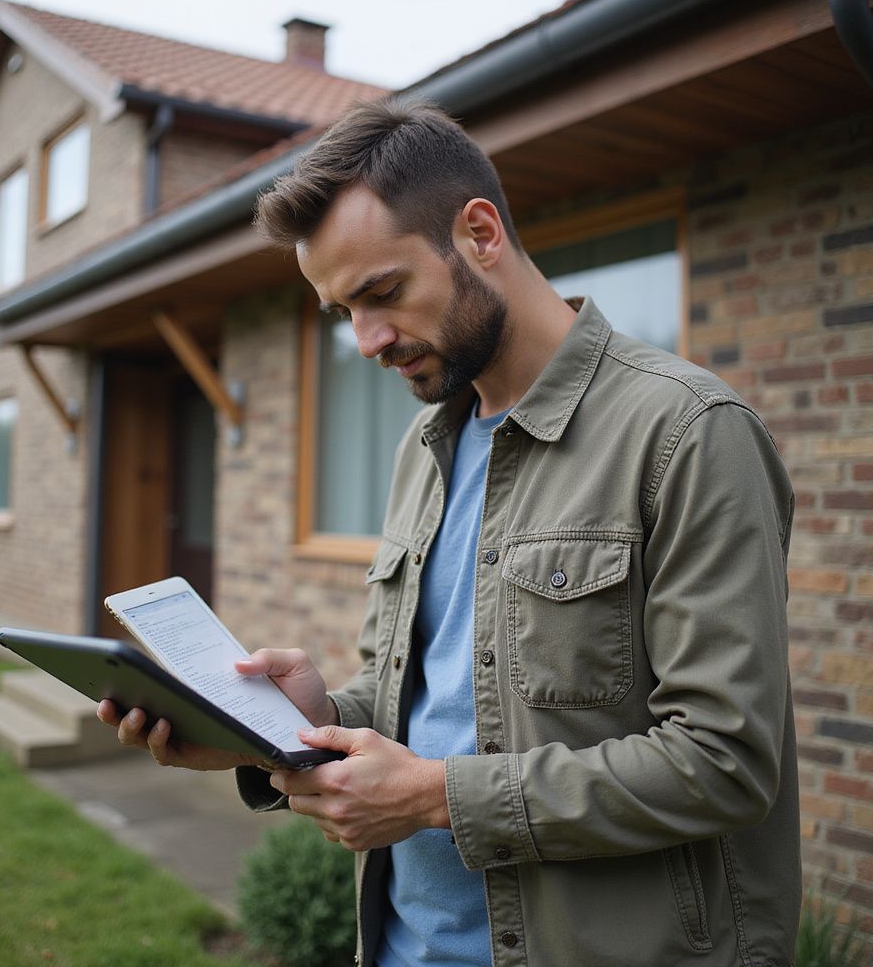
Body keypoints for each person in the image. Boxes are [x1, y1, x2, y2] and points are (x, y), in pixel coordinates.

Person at [99, 99, 801, 967]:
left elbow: (724, 762)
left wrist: (436, 799)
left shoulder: (688, 432)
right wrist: (295, 723)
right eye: (341, 312)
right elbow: (434, 705)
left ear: (479, 233)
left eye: (382, 293)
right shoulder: (423, 447)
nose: (365, 341)